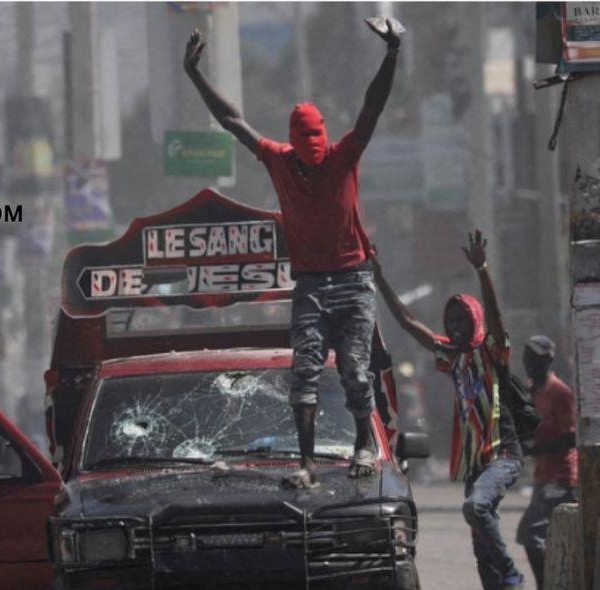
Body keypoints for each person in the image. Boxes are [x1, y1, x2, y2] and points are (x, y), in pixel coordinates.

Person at [183, 18, 403, 486]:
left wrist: (392, 53)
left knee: (356, 372)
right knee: (302, 371)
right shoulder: (278, 159)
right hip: (309, 283)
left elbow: (372, 107)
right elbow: (231, 121)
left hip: (352, 280)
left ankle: (363, 445)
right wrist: (195, 75)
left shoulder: (343, 156)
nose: (311, 157)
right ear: (293, 144)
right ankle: (306, 464)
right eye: (304, 150)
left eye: (316, 149)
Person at [373, 231, 525, 590]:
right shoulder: (451, 357)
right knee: (480, 547)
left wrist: (483, 270)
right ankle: (499, 580)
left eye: (462, 320)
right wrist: (379, 279)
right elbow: (410, 325)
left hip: (502, 455)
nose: (455, 326)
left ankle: (512, 574)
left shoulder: (492, 350)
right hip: (476, 464)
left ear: (475, 320)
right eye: (451, 321)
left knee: (476, 509)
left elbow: (497, 317)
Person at [515, 336, 577, 590]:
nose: (531, 363)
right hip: (543, 475)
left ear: (549, 360)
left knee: (530, 533)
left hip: (561, 476)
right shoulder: (531, 391)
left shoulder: (560, 393)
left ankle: (546, 584)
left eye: (537, 358)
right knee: (547, 537)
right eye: (528, 357)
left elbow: (571, 437)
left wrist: (537, 448)